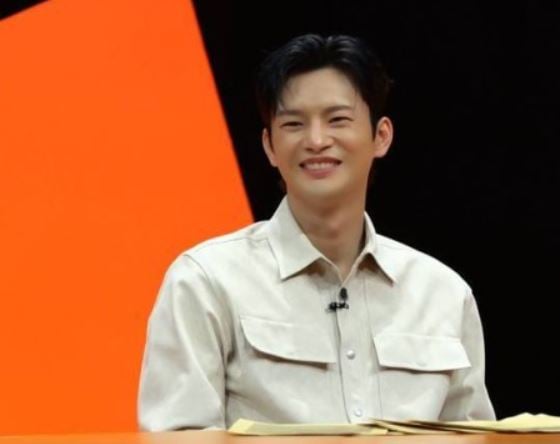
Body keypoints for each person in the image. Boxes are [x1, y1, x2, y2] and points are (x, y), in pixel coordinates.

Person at [138, 34, 495, 431]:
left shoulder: (444, 294)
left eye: (337, 119)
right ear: (269, 146)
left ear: (381, 136)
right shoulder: (205, 281)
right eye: (294, 124)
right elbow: (179, 434)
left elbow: (476, 436)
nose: (317, 140)